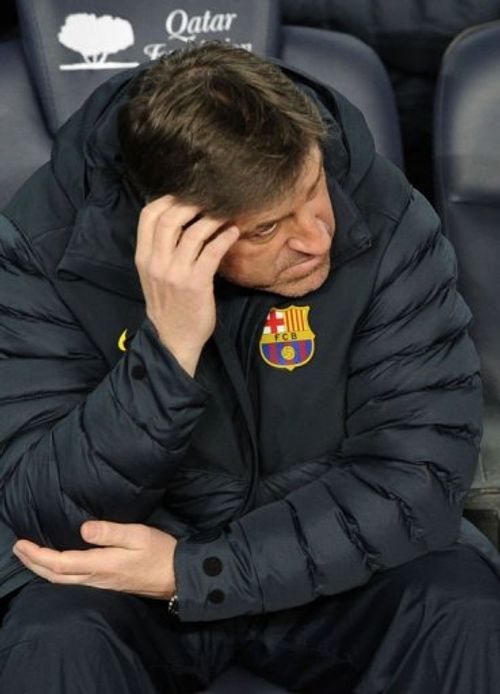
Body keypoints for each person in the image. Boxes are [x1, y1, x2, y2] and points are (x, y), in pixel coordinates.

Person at [0, 42, 499, 693]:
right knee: (54, 643)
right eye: (266, 229)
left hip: (337, 566)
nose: (318, 236)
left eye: (313, 190)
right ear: (176, 229)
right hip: (132, 582)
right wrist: (168, 353)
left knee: (464, 613)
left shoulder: (382, 212)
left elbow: (417, 475)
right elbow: (47, 507)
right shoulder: (46, 249)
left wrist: (198, 571)